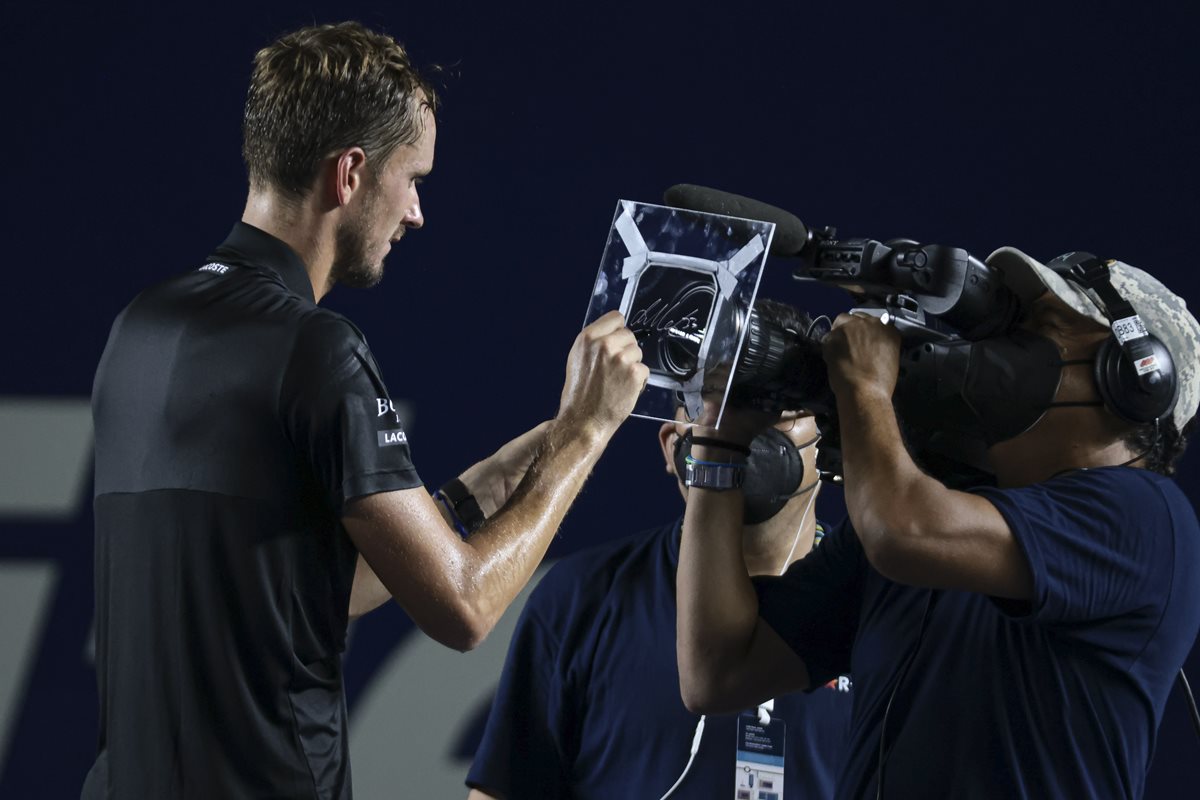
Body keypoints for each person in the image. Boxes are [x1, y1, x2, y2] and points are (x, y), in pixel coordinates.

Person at [82, 21, 647, 800]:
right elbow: (465, 606)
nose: (416, 212)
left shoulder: (139, 327)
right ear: (349, 173)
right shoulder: (316, 347)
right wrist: (586, 433)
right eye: (412, 178)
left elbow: (300, 595)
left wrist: (484, 485)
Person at [675, 247, 1200, 798]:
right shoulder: (936, 513)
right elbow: (717, 672)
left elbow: (901, 531)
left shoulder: (1150, 519)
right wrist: (720, 443)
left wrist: (865, 387)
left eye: (1042, 327)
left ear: (1134, 377)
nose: (1010, 345)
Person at [465, 302, 853, 800]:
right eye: (712, 404)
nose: (738, 427)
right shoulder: (582, 598)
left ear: (828, 440)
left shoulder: (872, 602)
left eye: (771, 403)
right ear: (672, 448)